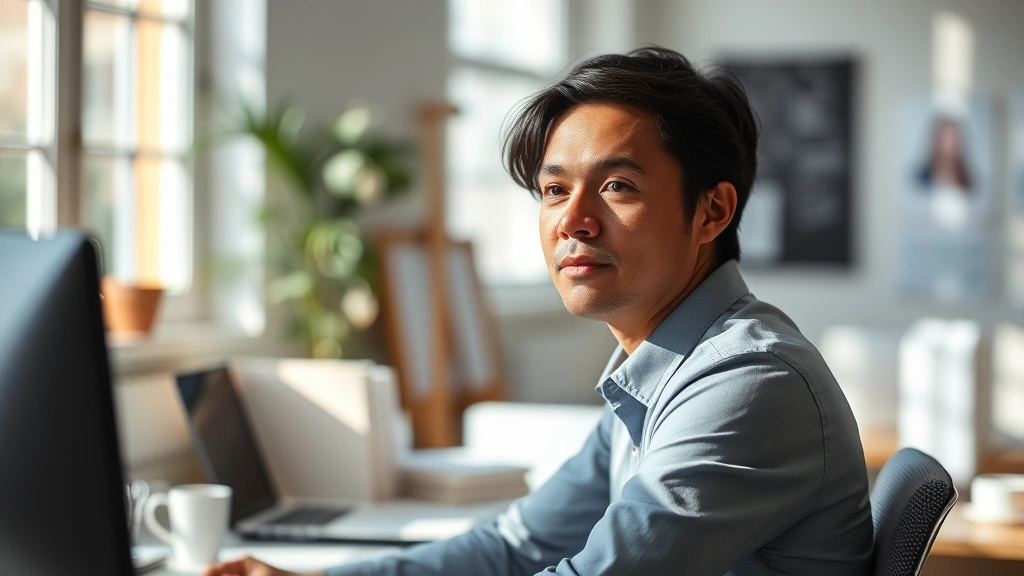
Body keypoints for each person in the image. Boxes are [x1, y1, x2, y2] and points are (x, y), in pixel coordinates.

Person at [202, 46, 874, 576]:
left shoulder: (747, 381)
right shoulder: (658, 367)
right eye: (554, 190)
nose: (573, 221)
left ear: (712, 211)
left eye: (617, 186)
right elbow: (515, 547)